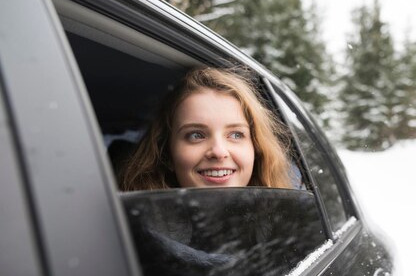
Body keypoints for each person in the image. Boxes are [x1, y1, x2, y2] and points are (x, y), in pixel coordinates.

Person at [119, 67, 293, 191]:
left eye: (236, 134)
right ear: (166, 154)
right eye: (196, 135)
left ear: (257, 149)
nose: (218, 152)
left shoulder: (287, 225)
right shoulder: (128, 235)